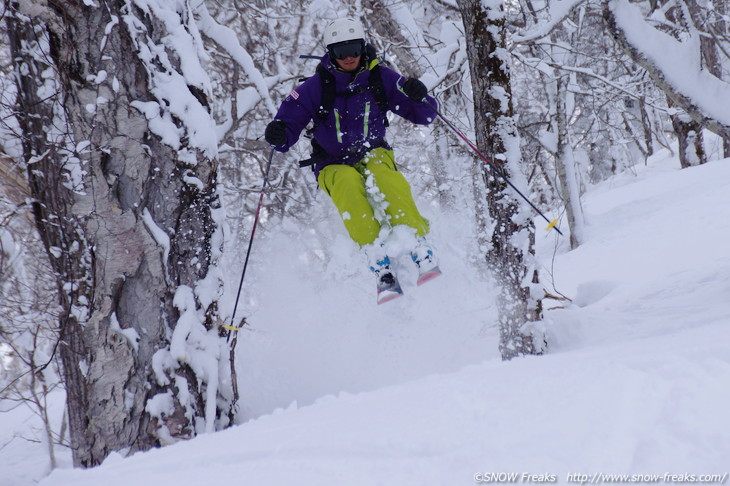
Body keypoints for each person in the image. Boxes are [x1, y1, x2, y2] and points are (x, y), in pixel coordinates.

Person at [264, 18, 439, 300]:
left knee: (383, 177)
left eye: (353, 49)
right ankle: (380, 265)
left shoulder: (381, 77)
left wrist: (421, 97)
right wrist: (278, 133)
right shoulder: (314, 87)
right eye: (341, 51)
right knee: (347, 185)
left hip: (373, 150)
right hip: (331, 162)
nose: (348, 57)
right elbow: (287, 127)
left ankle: (420, 247)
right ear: (330, 54)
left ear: (363, 48)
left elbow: (425, 115)